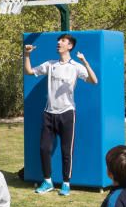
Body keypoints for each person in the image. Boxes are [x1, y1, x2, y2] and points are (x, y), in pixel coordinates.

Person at [23, 34, 98, 196]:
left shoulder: (76, 66)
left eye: (63, 41)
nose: (59, 43)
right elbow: (29, 71)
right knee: (44, 148)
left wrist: (85, 62)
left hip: (67, 113)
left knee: (66, 151)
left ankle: (66, 183)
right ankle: (47, 181)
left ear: (70, 46)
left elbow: (94, 81)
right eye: (59, 40)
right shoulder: (51, 64)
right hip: (49, 113)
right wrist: (27, 55)